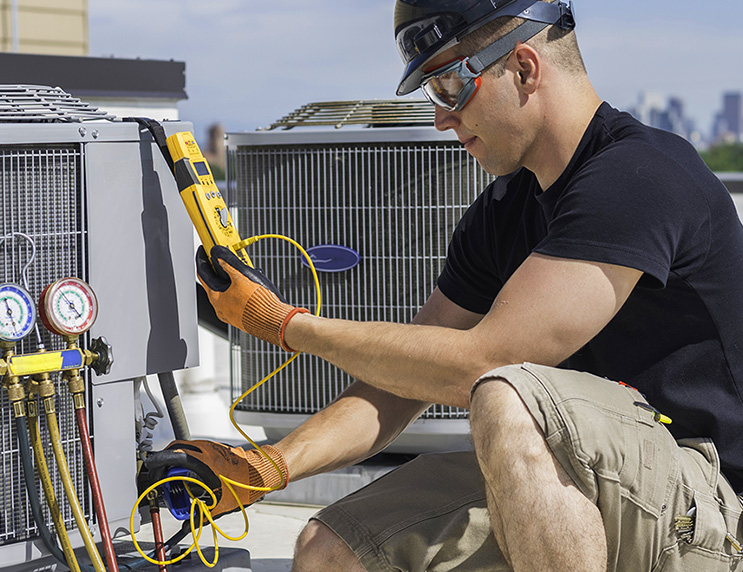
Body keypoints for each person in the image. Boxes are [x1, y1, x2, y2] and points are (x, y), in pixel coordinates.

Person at [144, 0, 743, 570]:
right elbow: (402, 383)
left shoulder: (640, 175)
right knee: (333, 549)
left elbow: (484, 363)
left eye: (448, 86)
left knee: (507, 397)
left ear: (524, 68)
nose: (440, 117)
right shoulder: (506, 208)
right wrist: (271, 465)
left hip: (712, 506)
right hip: (596, 486)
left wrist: (283, 324)